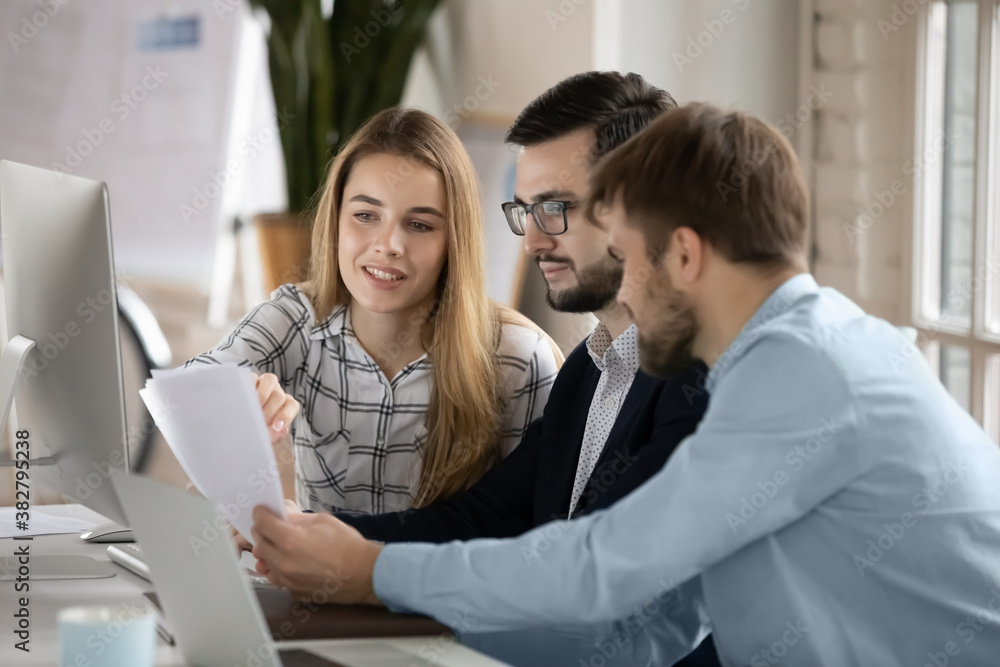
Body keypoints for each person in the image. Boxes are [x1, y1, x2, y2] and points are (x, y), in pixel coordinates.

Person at [249, 102, 1000, 665]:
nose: (626, 297)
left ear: (684, 255)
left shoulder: (804, 371)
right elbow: (650, 620)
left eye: (627, 258)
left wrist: (372, 572)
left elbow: (602, 566)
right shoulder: (784, 357)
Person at [249, 71, 719, 666]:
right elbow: (483, 520)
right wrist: (316, 536)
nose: (532, 242)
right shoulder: (589, 371)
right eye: (526, 212)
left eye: (557, 209)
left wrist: (372, 573)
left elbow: (602, 593)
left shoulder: (704, 380)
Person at [187, 107, 561, 515]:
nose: (388, 245)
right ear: (335, 222)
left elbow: (531, 534)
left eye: (419, 225)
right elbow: (190, 389)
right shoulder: (297, 317)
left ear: (454, 241)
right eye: (365, 216)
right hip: (309, 580)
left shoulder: (518, 359)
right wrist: (234, 395)